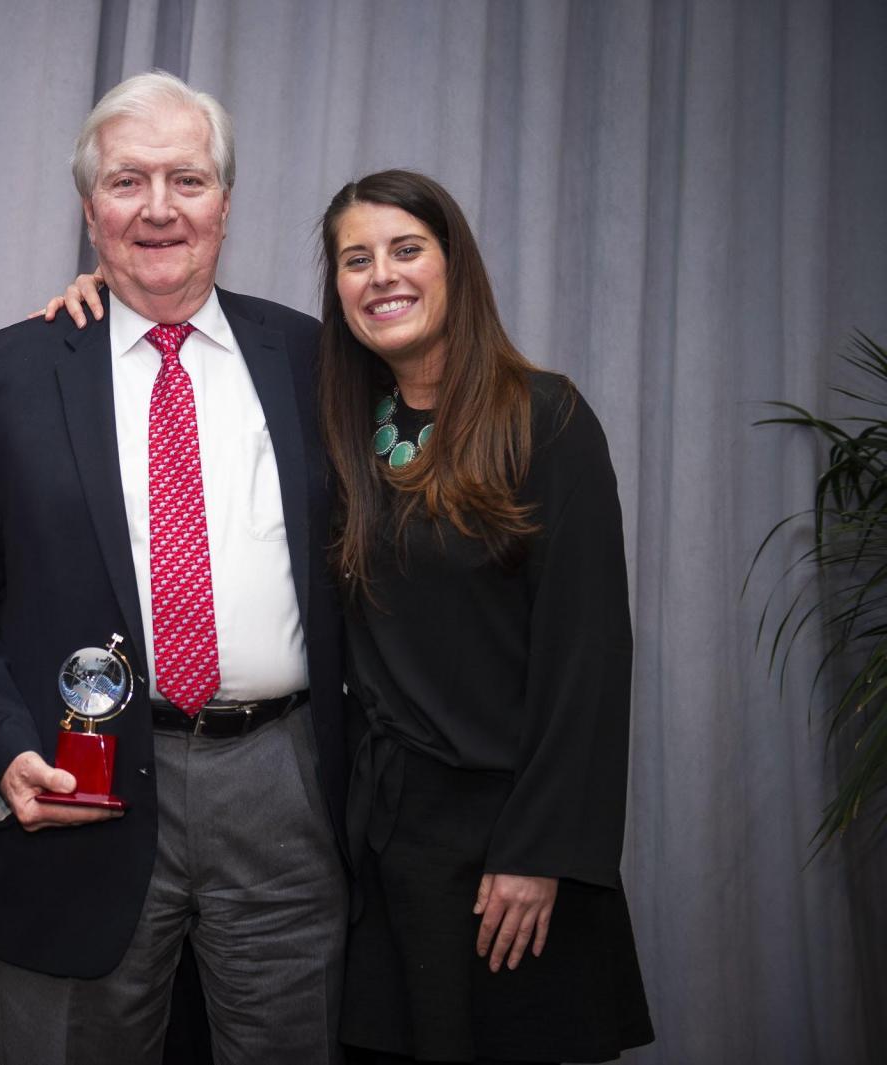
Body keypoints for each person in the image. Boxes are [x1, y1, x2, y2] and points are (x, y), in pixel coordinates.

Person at [0, 71, 348, 1065]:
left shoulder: (317, 361)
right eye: (126, 181)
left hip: (282, 784)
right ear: (89, 207)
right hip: (78, 784)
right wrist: (1, 748)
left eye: (186, 180)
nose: (157, 209)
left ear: (226, 203)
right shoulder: (2, 377)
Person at [319, 170, 653, 1064]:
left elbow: (588, 656)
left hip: (509, 850)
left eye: (405, 249)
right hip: (385, 840)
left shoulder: (546, 419)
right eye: (356, 259)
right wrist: (104, 299)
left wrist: (538, 851)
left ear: (454, 265)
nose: (380, 275)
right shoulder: (345, 428)